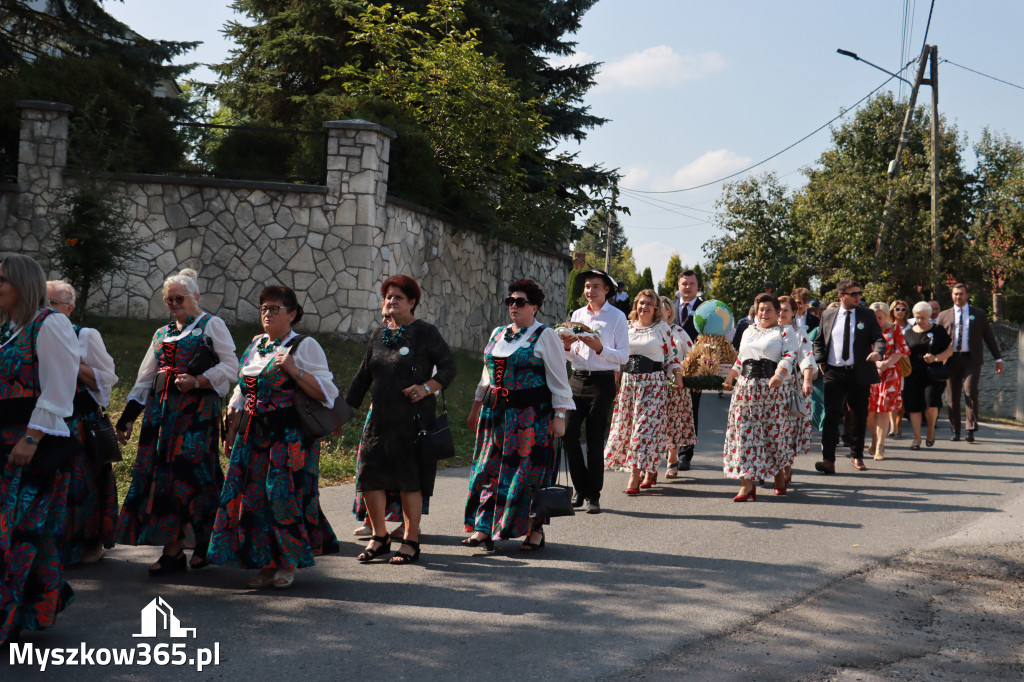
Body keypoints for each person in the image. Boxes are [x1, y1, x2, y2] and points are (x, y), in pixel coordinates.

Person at [209, 286, 339, 589]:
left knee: (282, 497)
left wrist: (293, 370)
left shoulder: (305, 346)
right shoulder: (256, 345)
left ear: (292, 314)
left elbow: (328, 395)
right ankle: (265, 563)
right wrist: (231, 429)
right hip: (253, 435)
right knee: (254, 499)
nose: (267, 313)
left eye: (275, 308)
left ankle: (287, 563)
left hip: (288, 436)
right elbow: (242, 390)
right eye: (264, 307)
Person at [115, 268, 238, 575]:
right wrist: (129, 416)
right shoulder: (162, 333)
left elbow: (232, 366)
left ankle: (178, 549)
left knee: (189, 476)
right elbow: (146, 376)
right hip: (162, 417)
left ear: (195, 297)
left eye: (179, 298)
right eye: (168, 299)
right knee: (173, 478)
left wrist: (197, 380)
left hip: (196, 416)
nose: (173, 303)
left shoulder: (212, 325)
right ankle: (195, 542)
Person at [345, 275, 457, 564]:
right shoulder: (377, 336)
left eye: (398, 297)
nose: (391, 301)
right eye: (388, 297)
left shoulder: (425, 333)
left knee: (410, 481)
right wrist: (343, 412)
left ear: (412, 302)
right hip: (379, 421)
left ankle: (410, 541)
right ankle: (379, 537)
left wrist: (426, 388)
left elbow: (448, 367)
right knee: (369, 477)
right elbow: (362, 377)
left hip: (413, 421)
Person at [0, 254, 79, 642]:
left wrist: (31, 438)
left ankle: (8, 618)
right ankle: (35, 605)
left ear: (21, 284)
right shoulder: (7, 328)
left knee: (18, 537)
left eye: (1, 281)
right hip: (4, 445)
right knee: (22, 537)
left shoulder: (51, 325)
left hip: (29, 447)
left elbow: (59, 390)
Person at [463, 279, 572, 551]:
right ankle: (483, 528)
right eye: (510, 301)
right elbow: (487, 376)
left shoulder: (544, 335)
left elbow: (559, 380)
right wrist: (476, 407)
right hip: (495, 416)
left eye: (520, 302)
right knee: (488, 470)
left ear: (534, 307)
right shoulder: (498, 333)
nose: (513, 306)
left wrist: (559, 417)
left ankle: (534, 530)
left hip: (530, 419)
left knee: (528, 475)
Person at [47, 280, 119, 565]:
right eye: (43, 303)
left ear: (70, 308)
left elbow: (107, 378)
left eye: (52, 305)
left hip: (78, 420)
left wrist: (70, 362)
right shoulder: (33, 333)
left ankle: (90, 544)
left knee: (83, 485)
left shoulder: (84, 335)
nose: (47, 310)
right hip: (47, 419)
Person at [562, 268, 629, 514]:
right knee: (567, 434)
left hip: (602, 382)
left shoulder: (617, 317)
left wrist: (601, 348)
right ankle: (580, 489)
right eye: (588, 286)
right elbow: (571, 354)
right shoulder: (577, 315)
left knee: (593, 439)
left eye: (596, 287)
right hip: (577, 379)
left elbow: (623, 355)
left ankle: (594, 495)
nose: (590, 291)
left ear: (607, 290)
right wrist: (567, 346)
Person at [605, 290, 683, 494]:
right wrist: (614, 387)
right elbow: (619, 359)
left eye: (649, 303)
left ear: (655, 308)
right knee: (628, 428)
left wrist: (678, 377)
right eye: (641, 303)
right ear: (635, 305)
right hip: (629, 383)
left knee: (643, 430)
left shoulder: (661, 328)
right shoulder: (627, 327)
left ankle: (635, 475)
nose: (644, 307)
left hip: (653, 384)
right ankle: (649, 469)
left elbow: (672, 356)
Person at [722, 293, 797, 500]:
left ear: (777, 312)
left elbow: (790, 355)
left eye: (769, 310)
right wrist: (730, 377)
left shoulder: (785, 331)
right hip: (745, 389)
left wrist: (779, 374)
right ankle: (747, 484)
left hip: (772, 388)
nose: (764, 313)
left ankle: (779, 475)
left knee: (772, 434)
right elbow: (740, 359)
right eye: (761, 309)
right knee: (745, 435)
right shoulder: (748, 331)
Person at [812, 279, 885, 474]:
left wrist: (878, 352)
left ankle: (857, 455)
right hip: (834, 372)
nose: (857, 297)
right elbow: (818, 341)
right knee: (831, 415)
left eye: (859, 293)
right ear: (841, 296)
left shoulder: (867, 315)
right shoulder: (828, 315)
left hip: (859, 372)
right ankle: (828, 460)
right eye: (853, 294)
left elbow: (878, 338)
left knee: (858, 415)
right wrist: (821, 360)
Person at [936, 283, 1004, 443]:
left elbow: (989, 337)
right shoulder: (944, 315)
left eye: (961, 294)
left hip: (971, 359)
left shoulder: (978, 314)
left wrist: (998, 359)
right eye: (955, 294)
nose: (958, 297)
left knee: (970, 390)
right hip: (951, 359)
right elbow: (937, 340)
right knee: (953, 396)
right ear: (952, 296)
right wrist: (934, 358)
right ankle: (955, 430)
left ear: (967, 295)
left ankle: (970, 429)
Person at [903, 301, 953, 450]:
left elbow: (949, 350)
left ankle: (930, 431)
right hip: (913, 374)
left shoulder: (938, 330)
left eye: (923, 317)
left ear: (930, 316)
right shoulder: (909, 332)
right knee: (914, 407)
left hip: (932, 374)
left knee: (930, 403)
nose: (920, 320)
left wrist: (936, 358)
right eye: (917, 317)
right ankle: (917, 438)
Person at [777, 296, 815, 485]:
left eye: (785, 310)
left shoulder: (800, 333)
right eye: (779, 310)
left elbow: (807, 358)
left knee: (788, 428)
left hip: (792, 385)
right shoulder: (768, 331)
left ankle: (786, 465)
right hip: (769, 387)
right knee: (771, 426)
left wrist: (807, 380)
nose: (781, 313)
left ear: (793, 313)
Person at [866, 302, 910, 461]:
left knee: (883, 409)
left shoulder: (894, 328)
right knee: (870, 411)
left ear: (886, 315)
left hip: (890, 373)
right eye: (874, 318)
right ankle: (873, 438)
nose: (877, 321)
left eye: (879, 318)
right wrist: (877, 364)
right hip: (870, 371)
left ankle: (880, 446)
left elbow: (901, 350)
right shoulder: (866, 328)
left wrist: (886, 363)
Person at [659, 296, 695, 477]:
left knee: (672, 423)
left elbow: (693, 355)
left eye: (664, 310)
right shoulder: (649, 331)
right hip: (654, 384)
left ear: (669, 313)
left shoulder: (679, 332)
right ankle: (646, 463)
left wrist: (690, 373)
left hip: (676, 386)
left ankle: (672, 458)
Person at [674, 269, 704, 471]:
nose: (687, 287)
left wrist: (703, 372)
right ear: (678, 286)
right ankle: (671, 454)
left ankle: (685, 455)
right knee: (672, 411)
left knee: (690, 411)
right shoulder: (669, 307)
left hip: (695, 369)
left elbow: (712, 340)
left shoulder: (705, 309)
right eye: (684, 283)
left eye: (691, 284)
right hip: (671, 369)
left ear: (697, 286)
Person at [887, 299, 912, 438]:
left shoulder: (911, 326)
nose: (900, 312)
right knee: (892, 395)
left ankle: (898, 423)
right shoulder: (888, 327)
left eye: (903, 309)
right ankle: (892, 426)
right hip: (892, 365)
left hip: (906, 365)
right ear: (892, 311)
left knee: (902, 397)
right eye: (897, 309)